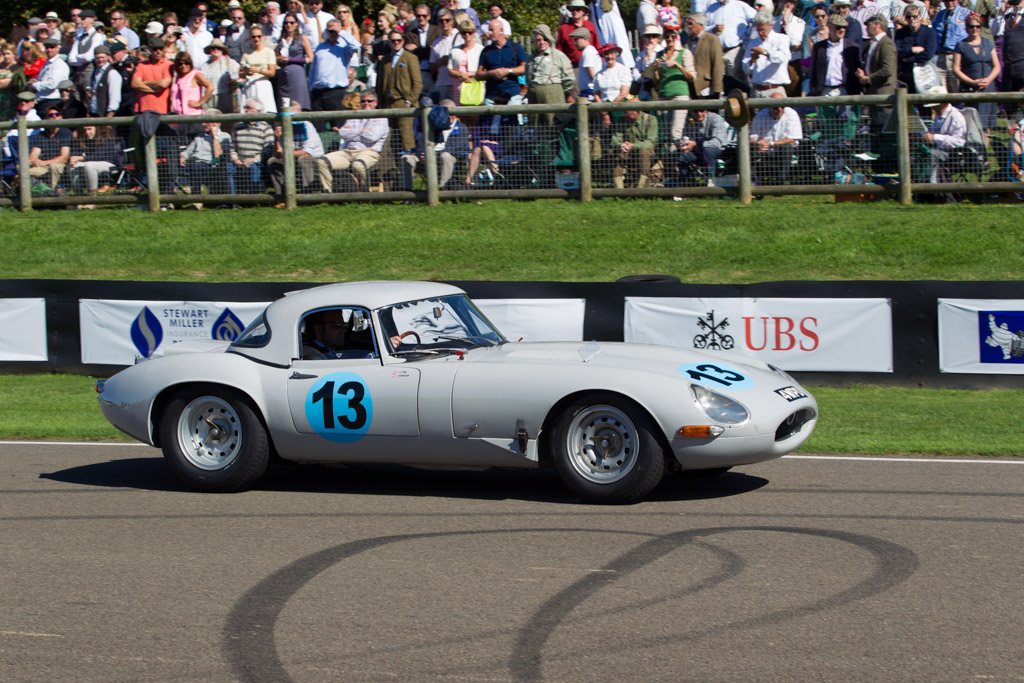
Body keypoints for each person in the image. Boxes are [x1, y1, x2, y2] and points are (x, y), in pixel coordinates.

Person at [324, 90, 389, 189]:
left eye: (369, 101)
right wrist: (362, 131)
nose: (366, 103)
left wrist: (353, 133)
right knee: (322, 161)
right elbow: (342, 134)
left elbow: (371, 137)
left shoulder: (381, 118)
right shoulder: (354, 116)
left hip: (368, 152)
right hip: (347, 152)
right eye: (363, 101)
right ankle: (327, 193)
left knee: (358, 165)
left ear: (375, 103)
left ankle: (364, 192)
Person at [401, 98, 470, 189]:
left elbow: (455, 148)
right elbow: (419, 141)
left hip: (450, 160)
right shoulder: (429, 125)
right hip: (425, 159)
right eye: (443, 113)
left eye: (450, 113)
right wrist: (421, 154)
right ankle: (407, 194)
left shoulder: (462, 127)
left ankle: (444, 191)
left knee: (445, 156)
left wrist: (431, 155)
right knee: (407, 158)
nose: (448, 116)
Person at [309, 19, 361, 129]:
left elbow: (356, 46)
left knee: (339, 127)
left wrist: (341, 32)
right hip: (318, 93)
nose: (332, 33)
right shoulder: (320, 47)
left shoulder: (344, 48)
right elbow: (313, 68)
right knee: (317, 128)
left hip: (336, 93)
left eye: (335, 31)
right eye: (330, 31)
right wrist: (311, 86)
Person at [268, 101, 328, 195]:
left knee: (304, 159)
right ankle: (282, 196)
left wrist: (286, 153)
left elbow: (307, 152)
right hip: (291, 157)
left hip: (313, 159)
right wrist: (276, 138)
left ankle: (307, 195)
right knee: (273, 161)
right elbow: (278, 154)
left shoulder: (307, 125)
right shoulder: (282, 126)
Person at [953, 14, 1001, 130]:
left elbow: (997, 66)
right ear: (966, 28)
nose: (974, 29)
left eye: (977, 26)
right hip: (969, 88)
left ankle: (984, 147)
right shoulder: (961, 45)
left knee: (986, 127)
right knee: (970, 124)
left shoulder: (988, 43)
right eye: (971, 26)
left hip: (987, 87)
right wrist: (972, 82)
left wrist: (988, 80)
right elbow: (956, 69)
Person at [377, 29, 422, 152]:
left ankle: (410, 169)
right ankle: (391, 170)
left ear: (403, 41)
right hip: (387, 104)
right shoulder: (385, 60)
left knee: (407, 140)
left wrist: (409, 101)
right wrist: (380, 102)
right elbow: (379, 83)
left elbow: (417, 84)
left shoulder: (410, 58)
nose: (396, 43)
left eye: (399, 40)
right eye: (393, 40)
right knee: (387, 140)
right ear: (389, 42)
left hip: (404, 103)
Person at [646, 30, 693, 142]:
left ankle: (675, 157)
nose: (670, 39)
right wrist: (656, 70)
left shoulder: (684, 52)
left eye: (673, 36)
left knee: (675, 133)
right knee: (665, 133)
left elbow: (692, 77)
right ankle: (668, 157)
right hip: (663, 95)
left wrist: (678, 66)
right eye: (667, 36)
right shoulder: (659, 54)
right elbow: (656, 81)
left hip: (680, 96)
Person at [525, 24, 574, 126]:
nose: (542, 42)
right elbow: (528, 77)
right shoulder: (530, 59)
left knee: (553, 122)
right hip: (534, 96)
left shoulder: (558, 56)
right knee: (535, 124)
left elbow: (569, 78)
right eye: (538, 40)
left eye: (545, 39)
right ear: (534, 41)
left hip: (553, 94)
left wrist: (563, 91)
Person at [857, 14, 898, 138]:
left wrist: (868, 79)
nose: (866, 28)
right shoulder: (874, 43)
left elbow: (888, 69)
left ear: (877, 24)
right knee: (875, 131)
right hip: (875, 95)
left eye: (868, 25)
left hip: (883, 97)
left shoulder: (886, 44)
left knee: (882, 132)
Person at [179, 110, 234, 200]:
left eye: (206, 122)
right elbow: (188, 151)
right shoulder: (200, 136)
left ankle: (196, 199)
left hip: (211, 164)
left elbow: (218, 154)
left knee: (196, 167)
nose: (203, 124)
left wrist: (215, 136)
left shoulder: (225, 136)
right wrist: (183, 156)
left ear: (215, 123)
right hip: (194, 163)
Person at [750, 92, 802, 181]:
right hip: (763, 149)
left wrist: (771, 143)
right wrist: (758, 143)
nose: (779, 110)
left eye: (782, 107)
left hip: (782, 149)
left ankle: (780, 182)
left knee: (786, 147)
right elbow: (752, 138)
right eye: (775, 108)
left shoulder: (791, 114)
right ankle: (752, 180)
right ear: (769, 107)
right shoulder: (761, 115)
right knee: (749, 148)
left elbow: (791, 139)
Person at [919, 84, 966, 180]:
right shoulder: (938, 116)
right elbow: (933, 132)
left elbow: (959, 142)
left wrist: (935, 137)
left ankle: (931, 186)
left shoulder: (956, 116)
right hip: (939, 151)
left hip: (953, 155)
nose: (933, 107)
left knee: (930, 154)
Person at [809, 15, 863, 96]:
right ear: (830, 27)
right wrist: (814, 90)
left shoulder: (852, 47)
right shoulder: (819, 47)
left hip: (845, 91)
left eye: (844, 27)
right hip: (824, 91)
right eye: (838, 27)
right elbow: (814, 71)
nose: (842, 30)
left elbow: (858, 68)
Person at [231, 98, 275, 193]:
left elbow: (269, 150)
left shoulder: (266, 128)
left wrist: (253, 160)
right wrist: (235, 159)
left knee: (253, 168)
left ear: (258, 111)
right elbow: (232, 148)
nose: (245, 110)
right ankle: (232, 199)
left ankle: (253, 198)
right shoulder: (238, 127)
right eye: (245, 107)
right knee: (227, 168)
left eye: (248, 108)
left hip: (257, 162)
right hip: (239, 161)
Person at [743, 11, 791, 95]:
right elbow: (745, 69)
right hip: (756, 89)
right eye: (758, 30)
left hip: (775, 89)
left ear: (771, 26)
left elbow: (783, 58)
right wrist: (752, 60)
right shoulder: (752, 43)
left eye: (763, 30)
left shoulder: (782, 39)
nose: (761, 33)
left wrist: (765, 52)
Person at [68, 123, 122, 197]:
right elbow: (76, 151)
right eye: (85, 130)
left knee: (89, 165)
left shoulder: (105, 138)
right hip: (89, 162)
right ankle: (78, 195)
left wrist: (80, 158)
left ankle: (92, 196)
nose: (87, 132)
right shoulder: (83, 138)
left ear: (96, 128)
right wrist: (73, 159)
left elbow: (98, 156)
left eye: (89, 129)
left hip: (109, 163)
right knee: (74, 166)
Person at [676, 108, 729, 181]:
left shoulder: (715, 118)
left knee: (708, 150)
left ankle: (710, 181)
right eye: (695, 111)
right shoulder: (689, 120)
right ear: (691, 112)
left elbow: (718, 142)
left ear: (706, 110)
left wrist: (696, 144)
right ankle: (689, 185)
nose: (699, 114)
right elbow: (687, 138)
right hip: (699, 151)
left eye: (702, 111)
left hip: (719, 151)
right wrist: (684, 144)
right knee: (680, 156)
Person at [706, 0, 756, 77]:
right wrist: (713, 29)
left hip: (735, 51)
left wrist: (747, 34)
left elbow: (757, 19)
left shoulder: (740, 6)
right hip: (717, 51)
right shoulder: (711, 8)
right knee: (718, 79)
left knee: (736, 79)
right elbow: (703, 27)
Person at [610, 108, 658, 188]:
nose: (624, 115)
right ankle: (619, 190)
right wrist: (621, 145)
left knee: (644, 152)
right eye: (624, 112)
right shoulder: (622, 120)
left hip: (645, 151)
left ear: (637, 112)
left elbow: (650, 142)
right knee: (614, 151)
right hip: (627, 151)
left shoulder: (650, 119)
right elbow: (615, 139)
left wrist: (633, 145)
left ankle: (641, 187)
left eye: (627, 112)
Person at [28, 104, 72, 189]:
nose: (54, 117)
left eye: (57, 114)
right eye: (51, 115)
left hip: (58, 165)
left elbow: (64, 157)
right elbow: (34, 153)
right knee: (23, 168)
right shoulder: (41, 135)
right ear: (46, 119)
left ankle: (52, 192)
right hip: (43, 165)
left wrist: (45, 162)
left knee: (54, 166)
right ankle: (31, 193)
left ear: (61, 117)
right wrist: (34, 161)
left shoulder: (65, 133)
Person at [896, 5, 938, 92]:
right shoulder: (900, 33)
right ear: (905, 19)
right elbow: (897, 52)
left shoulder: (929, 32)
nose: (912, 19)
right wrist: (912, 50)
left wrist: (909, 59)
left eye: (915, 16)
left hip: (925, 73)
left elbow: (928, 54)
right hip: (905, 73)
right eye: (908, 17)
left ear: (920, 17)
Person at [301, 310, 376, 359]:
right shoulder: (311, 354)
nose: (344, 329)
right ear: (318, 328)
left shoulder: (330, 349)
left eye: (345, 325)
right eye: (337, 324)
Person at [277, 12, 314, 110]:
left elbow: (310, 58)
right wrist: (279, 59)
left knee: (298, 103)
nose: (289, 25)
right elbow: (277, 56)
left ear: (297, 23)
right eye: (286, 23)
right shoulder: (281, 39)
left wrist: (291, 59)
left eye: (291, 22)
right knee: (284, 105)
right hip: (283, 76)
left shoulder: (302, 38)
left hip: (297, 74)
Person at [934, 0, 972, 91]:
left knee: (956, 90)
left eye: (952, 0)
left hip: (956, 57)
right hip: (940, 58)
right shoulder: (939, 15)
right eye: (947, 0)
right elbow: (934, 34)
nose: (949, 2)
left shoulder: (966, 13)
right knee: (941, 92)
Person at [685, 14, 725, 99]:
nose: (688, 26)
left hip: (706, 86)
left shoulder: (712, 39)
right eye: (687, 23)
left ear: (700, 25)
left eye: (691, 23)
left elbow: (718, 65)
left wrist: (716, 88)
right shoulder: (688, 41)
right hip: (691, 87)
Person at [404, 5, 441, 98]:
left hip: (434, 73)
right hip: (418, 72)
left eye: (424, 16)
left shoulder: (437, 30)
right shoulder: (410, 33)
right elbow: (409, 54)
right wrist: (429, 50)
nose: (421, 18)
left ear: (429, 16)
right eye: (418, 16)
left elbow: (437, 52)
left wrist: (417, 50)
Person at [240, 27, 278, 113]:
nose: (256, 39)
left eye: (258, 36)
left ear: (262, 37)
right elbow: (240, 73)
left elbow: (272, 72)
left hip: (262, 83)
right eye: (253, 37)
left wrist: (258, 70)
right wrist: (246, 72)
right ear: (250, 38)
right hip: (249, 84)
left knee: (265, 110)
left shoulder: (269, 52)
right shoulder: (246, 54)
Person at [132, 37, 174, 113]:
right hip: (144, 108)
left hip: (163, 109)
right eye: (155, 49)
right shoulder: (141, 65)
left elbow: (163, 84)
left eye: (160, 48)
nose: (158, 51)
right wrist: (155, 90)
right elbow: (134, 84)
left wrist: (143, 83)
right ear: (150, 50)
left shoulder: (169, 65)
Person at [430, 10, 462, 103]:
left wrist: (451, 60)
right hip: (441, 83)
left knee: (459, 113)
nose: (444, 23)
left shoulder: (460, 37)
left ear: (452, 21)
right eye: (441, 21)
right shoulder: (436, 42)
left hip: (457, 82)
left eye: (447, 20)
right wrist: (438, 63)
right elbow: (432, 67)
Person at [557, 0, 602, 67]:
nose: (575, 11)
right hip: (572, 67)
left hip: (591, 65)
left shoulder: (590, 26)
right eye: (572, 9)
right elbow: (559, 50)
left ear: (583, 11)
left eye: (578, 9)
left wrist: (600, 62)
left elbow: (597, 45)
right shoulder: (564, 28)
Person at [201, 40, 240, 113]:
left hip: (224, 96)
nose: (216, 50)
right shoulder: (204, 65)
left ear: (222, 50)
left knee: (225, 121)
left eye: (218, 48)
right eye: (213, 48)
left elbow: (238, 77)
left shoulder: (229, 63)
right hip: (208, 97)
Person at [449, 22, 483, 104]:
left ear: (474, 33)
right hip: (458, 86)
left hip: (475, 84)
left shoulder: (480, 49)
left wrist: (471, 75)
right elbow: (450, 69)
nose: (467, 35)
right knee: (460, 112)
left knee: (475, 111)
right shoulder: (454, 50)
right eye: (464, 32)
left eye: (470, 32)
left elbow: (484, 69)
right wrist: (461, 75)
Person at [33, 38, 69, 112]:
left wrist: (34, 85)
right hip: (41, 101)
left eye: (52, 47)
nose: (49, 50)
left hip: (52, 101)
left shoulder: (59, 64)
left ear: (57, 48)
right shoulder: (46, 64)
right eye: (47, 48)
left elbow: (52, 84)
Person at [86, 45, 123, 117]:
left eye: (102, 57)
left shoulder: (112, 73)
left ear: (108, 57)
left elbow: (115, 97)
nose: (100, 60)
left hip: (105, 115)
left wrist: (110, 115)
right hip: (94, 114)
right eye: (97, 58)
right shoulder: (94, 73)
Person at [571, 27, 601, 99]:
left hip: (589, 90)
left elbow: (592, 74)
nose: (574, 42)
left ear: (585, 39)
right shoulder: (590, 51)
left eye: (576, 40)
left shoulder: (588, 52)